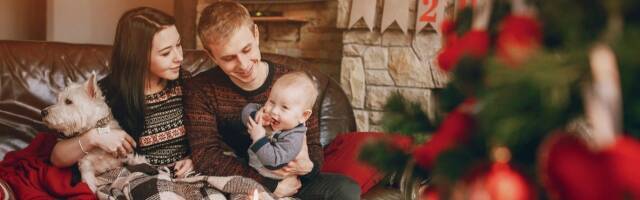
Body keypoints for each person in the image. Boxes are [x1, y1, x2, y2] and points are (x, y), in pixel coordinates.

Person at [184, 1, 361, 199]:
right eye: (228, 58)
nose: (243, 65)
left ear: (256, 34)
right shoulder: (200, 89)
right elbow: (206, 157)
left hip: (294, 178)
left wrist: (308, 167)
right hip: (244, 179)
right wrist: (268, 184)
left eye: (247, 49)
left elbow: (312, 145)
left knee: (346, 188)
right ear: (212, 56)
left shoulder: (291, 83)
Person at [50, 6, 193, 179]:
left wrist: (193, 159)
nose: (179, 57)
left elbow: (208, 137)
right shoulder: (105, 94)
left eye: (178, 44)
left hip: (187, 177)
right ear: (137, 56)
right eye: (166, 53)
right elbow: (57, 157)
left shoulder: (185, 82)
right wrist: (93, 137)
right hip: (138, 180)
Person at [242, 71, 318, 180]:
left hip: (273, 179)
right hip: (251, 170)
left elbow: (273, 161)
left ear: (304, 115)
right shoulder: (267, 113)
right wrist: (256, 116)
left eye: (285, 107)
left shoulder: (294, 138)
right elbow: (246, 111)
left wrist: (259, 138)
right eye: (272, 102)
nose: (274, 110)